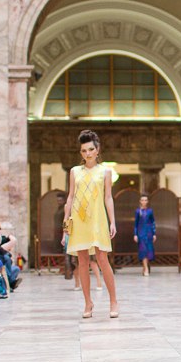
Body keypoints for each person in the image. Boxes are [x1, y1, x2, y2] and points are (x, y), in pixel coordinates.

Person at [63, 130, 119, 319]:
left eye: (90, 149)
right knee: (82, 261)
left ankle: (113, 301)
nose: (87, 153)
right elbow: (70, 197)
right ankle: (88, 303)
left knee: (102, 259)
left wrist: (112, 221)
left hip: (97, 219)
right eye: (84, 150)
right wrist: (66, 222)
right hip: (79, 221)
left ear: (97, 150)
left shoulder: (105, 172)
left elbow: (108, 198)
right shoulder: (74, 171)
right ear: (81, 152)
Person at [133, 194, 156, 276]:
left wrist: (154, 233)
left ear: (147, 201)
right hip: (141, 234)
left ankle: (145, 267)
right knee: (143, 250)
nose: (144, 202)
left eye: (145, 200)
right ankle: (146, 268)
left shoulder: (150, 211)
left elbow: (153, 222)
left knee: (148, 251)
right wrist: (135, 234)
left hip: (149, 233)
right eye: (142, 200)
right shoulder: (137, 211)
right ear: (140, 201)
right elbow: (135, 224)